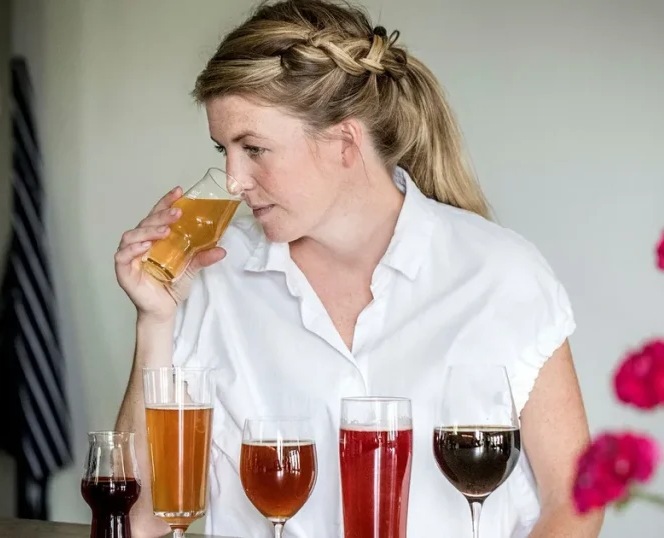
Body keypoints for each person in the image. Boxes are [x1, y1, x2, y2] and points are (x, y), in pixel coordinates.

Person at [114, 1, 602, 536]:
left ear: (345, 142)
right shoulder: (211, 276)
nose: (233, 180)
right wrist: (154, 320)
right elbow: (142, 522)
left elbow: (573, 500)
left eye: (253, 148)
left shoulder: (499, 274)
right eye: (224, 149)